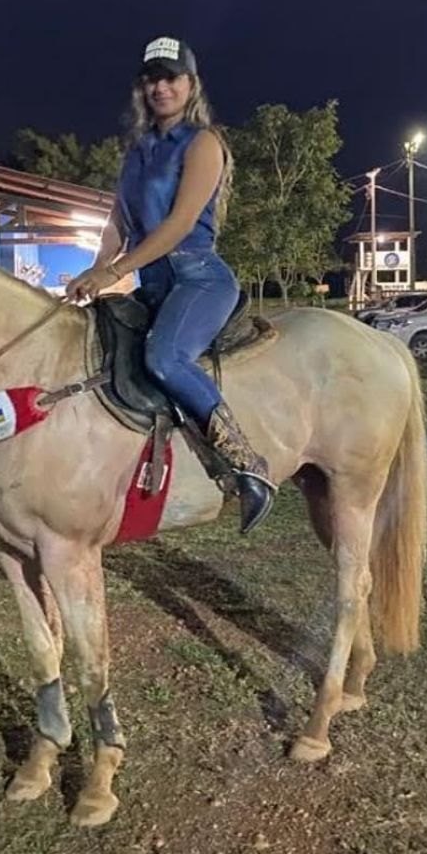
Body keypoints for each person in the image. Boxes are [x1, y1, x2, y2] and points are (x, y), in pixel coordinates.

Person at [65, 36, 274, 533]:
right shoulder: (138, 151)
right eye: (152, 78)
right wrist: (95, 267)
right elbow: (118, 222)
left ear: (190, 84)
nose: (161, 87)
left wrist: (113, 273)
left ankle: (247, 465)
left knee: (164, 357)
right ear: (142, 87)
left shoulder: (203, 144)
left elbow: (178, 225)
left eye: (171, 77)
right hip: (154, 285)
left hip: (199, 279)